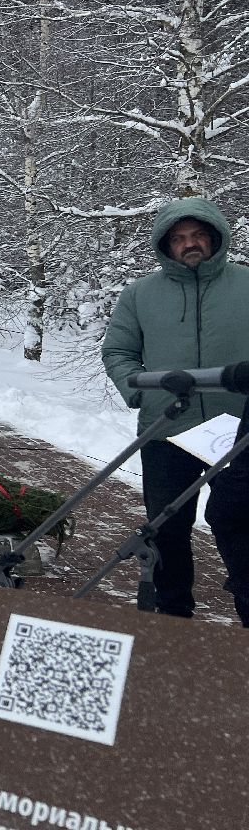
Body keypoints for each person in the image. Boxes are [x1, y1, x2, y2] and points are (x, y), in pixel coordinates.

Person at [103, 197, 249, 623]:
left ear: (216, 238)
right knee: (166, 528)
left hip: (238, 430)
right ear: (165, 245)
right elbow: (118, 352)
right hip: (166, 428)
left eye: (199, 235)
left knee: (240, 524)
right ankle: (172, 616)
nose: (190, 244)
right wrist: (143, 393)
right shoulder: (140, 295)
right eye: (179, 238)